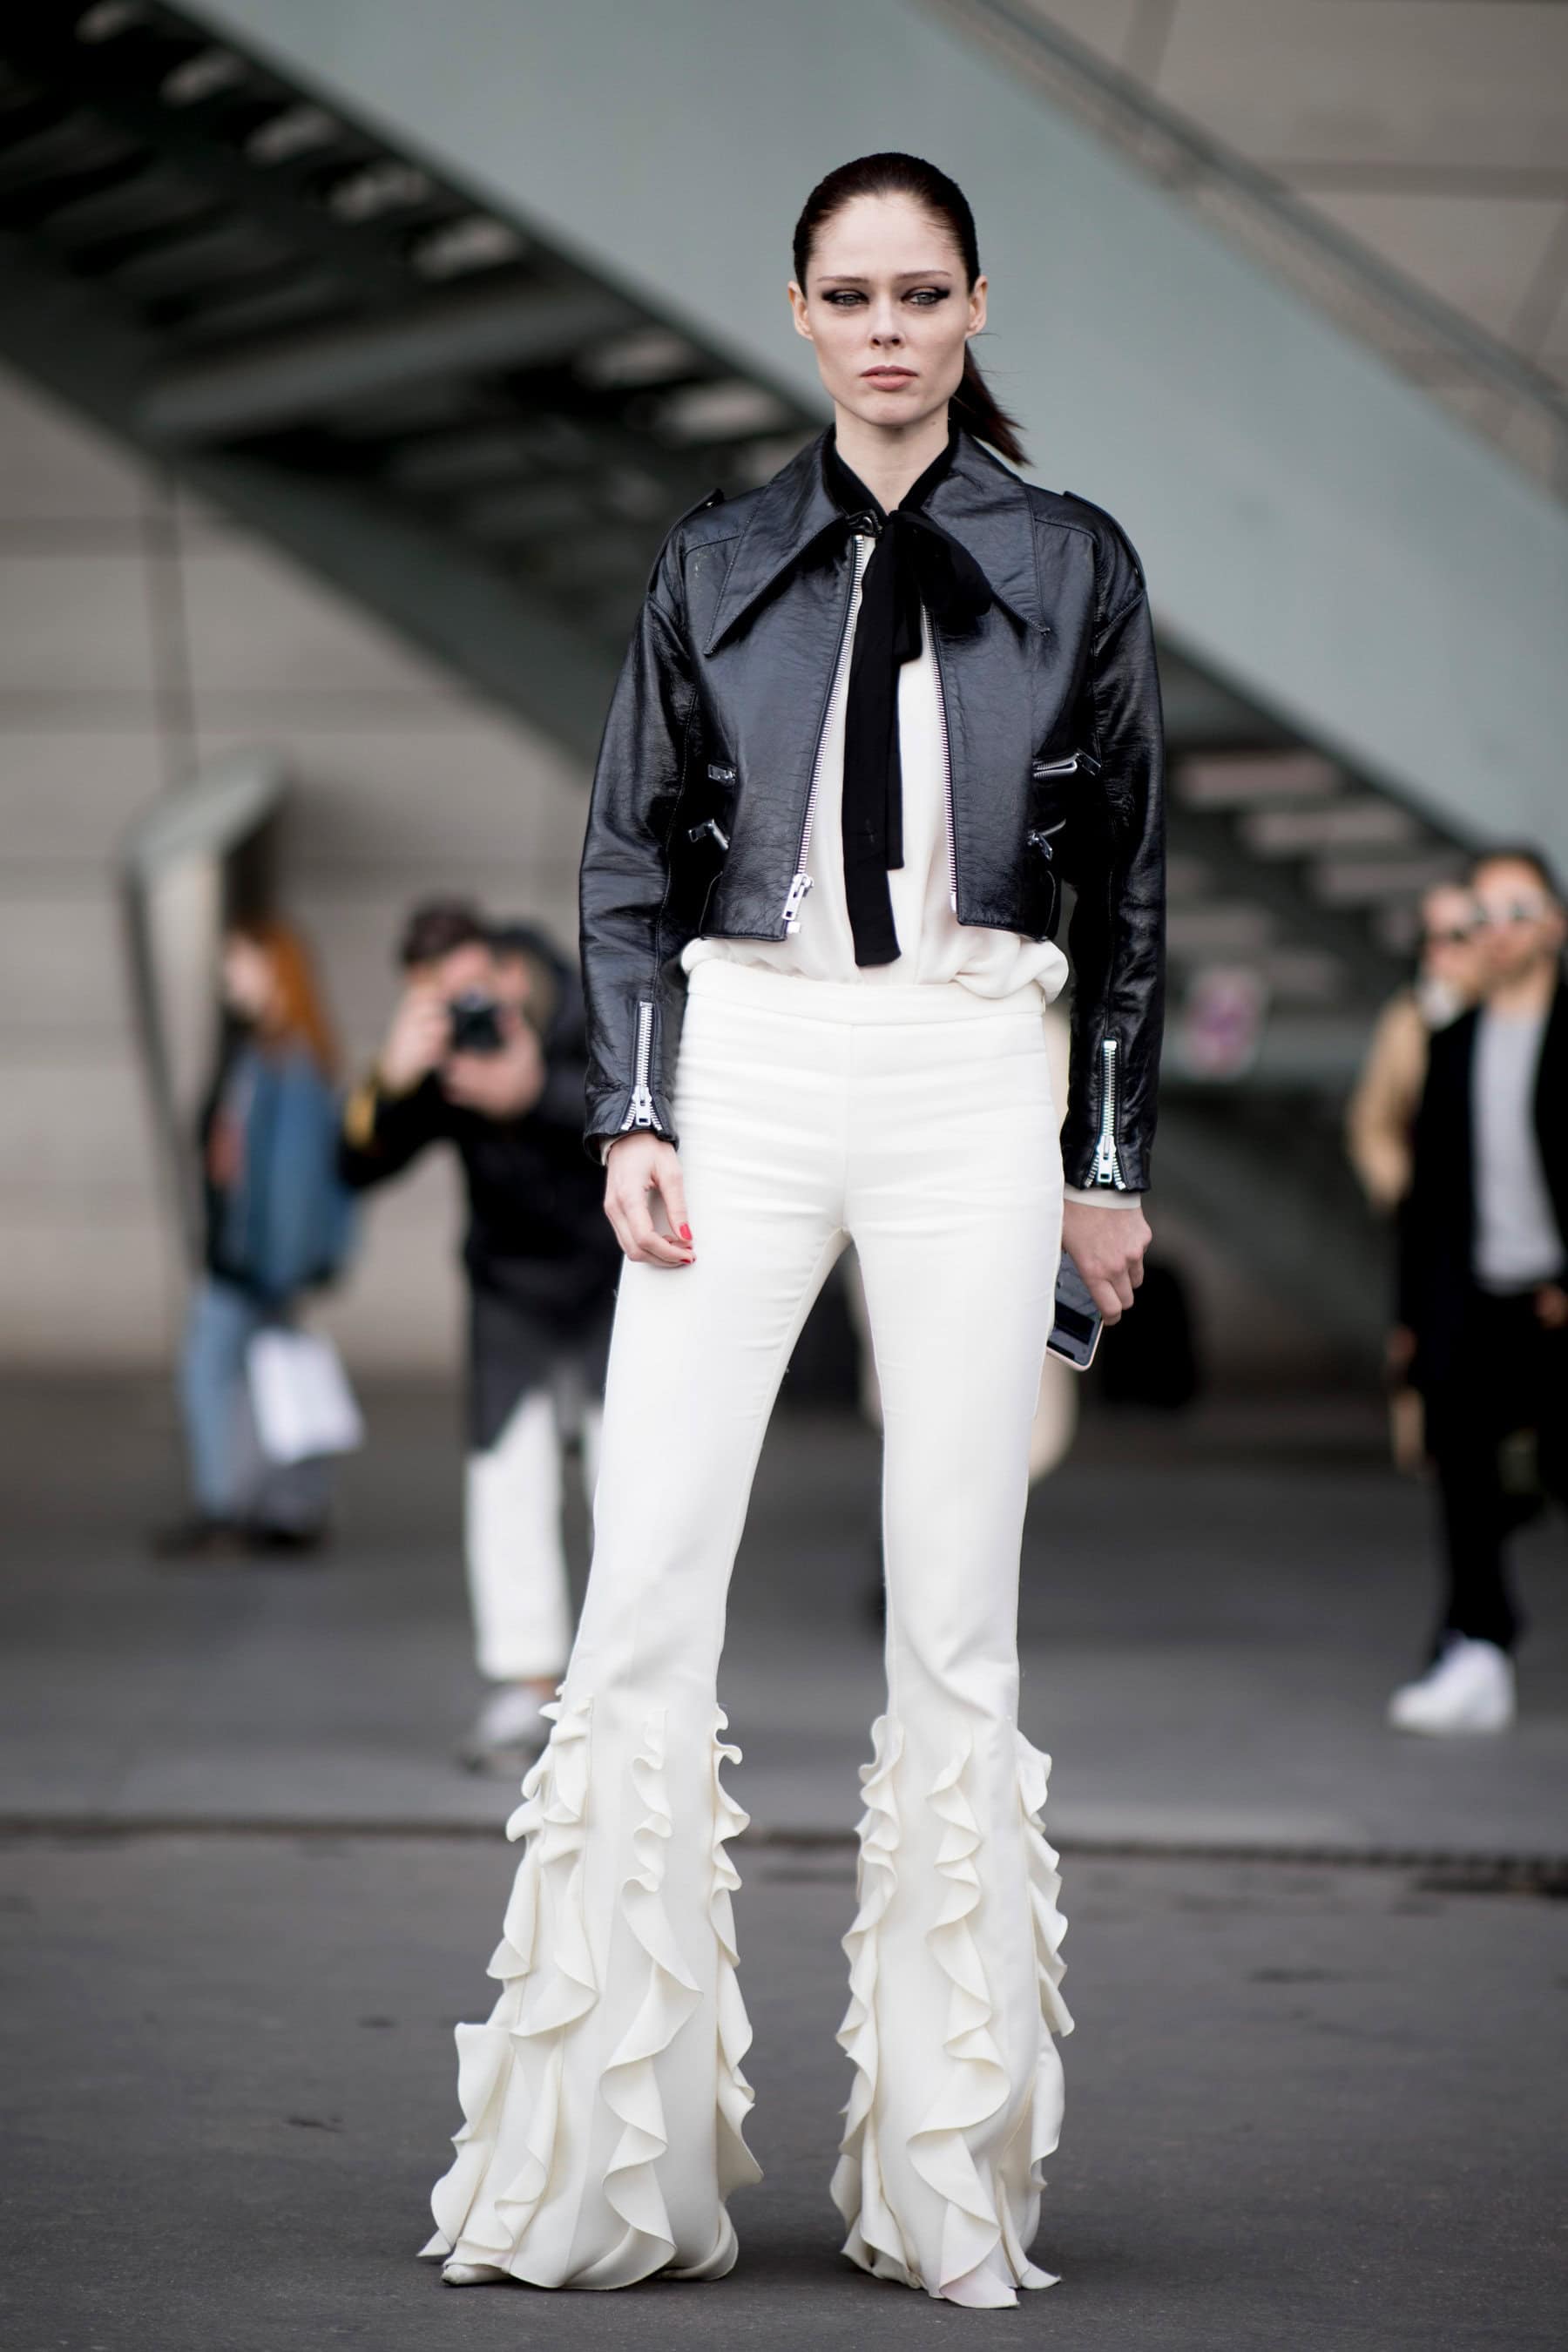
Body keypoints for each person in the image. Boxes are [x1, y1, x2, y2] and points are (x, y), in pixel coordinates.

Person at [424, 153, 1163, 2307]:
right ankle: (594, 2177)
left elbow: (1126, 895)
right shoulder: (718, 558)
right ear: (800, 312)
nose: (887, 330)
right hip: (745, 1064)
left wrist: (1104, 1160)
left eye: (922, 293)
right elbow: (627, 857)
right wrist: (636, 1107)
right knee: (644, 1584)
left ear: (975, 305)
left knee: (959, 1618)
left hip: (971, 1068)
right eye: (851, 295)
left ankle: (945, 2188)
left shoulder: (1073, 563)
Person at [340, 901, 620, 1769]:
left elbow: (653, 1107)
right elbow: (354, 1166)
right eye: (439, 999)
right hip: (508, 1292)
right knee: (506, 1477)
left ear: (506, 969)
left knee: (631, 1480)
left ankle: (630, 1688)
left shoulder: (594, 1000)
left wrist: (535, 1093)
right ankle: (527, 1686)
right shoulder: (447, 1052)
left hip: (618, 1280)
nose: (465, 1011)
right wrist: (391, 1079)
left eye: (468, 992)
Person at [1389, 848, 1568, 1734]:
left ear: (1555, 924)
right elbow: (1428, 1201)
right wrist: (1412, 1321)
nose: (1499, 930)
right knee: (1464, 1477)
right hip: (1474, 1297)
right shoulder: (1453, 1040)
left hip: (1555, 1299)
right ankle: (1477, 1649)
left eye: (1518, 909)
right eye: (1482, 915)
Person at [153, 917, 354, 1562]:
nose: (228, 978)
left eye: (238, 963)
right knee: (265, 1378)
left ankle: (228, 1508)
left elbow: (294, 1177)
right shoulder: (272, 1051)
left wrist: (275, 1265)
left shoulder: (287, 1060)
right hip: (255, 1254)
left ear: (275, 970)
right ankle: (281, 1507)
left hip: (253, 1259)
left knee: (212, 1373)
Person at [1347, 882, 1484, 1213]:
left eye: (1457, 937)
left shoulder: (1513, 1015)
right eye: (1428, 938)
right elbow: (1373, 1121)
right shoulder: (1408, 1020)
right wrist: (1403, 1192)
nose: (1439, 951)